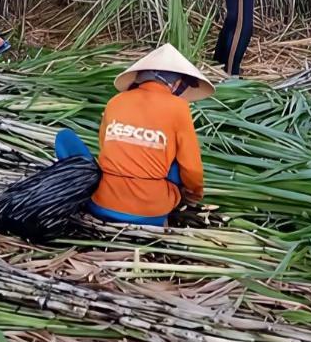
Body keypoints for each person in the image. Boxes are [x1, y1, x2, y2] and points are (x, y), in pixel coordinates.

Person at [54, 44, 214, 226]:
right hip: (151, 213)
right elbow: (192, 167)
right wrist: (194, 195)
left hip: (101, 204)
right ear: (176, 84)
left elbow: (105, 147)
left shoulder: (115, 102)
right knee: (178, 160)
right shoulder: (179, 108)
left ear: (139, 77)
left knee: (65, 138)